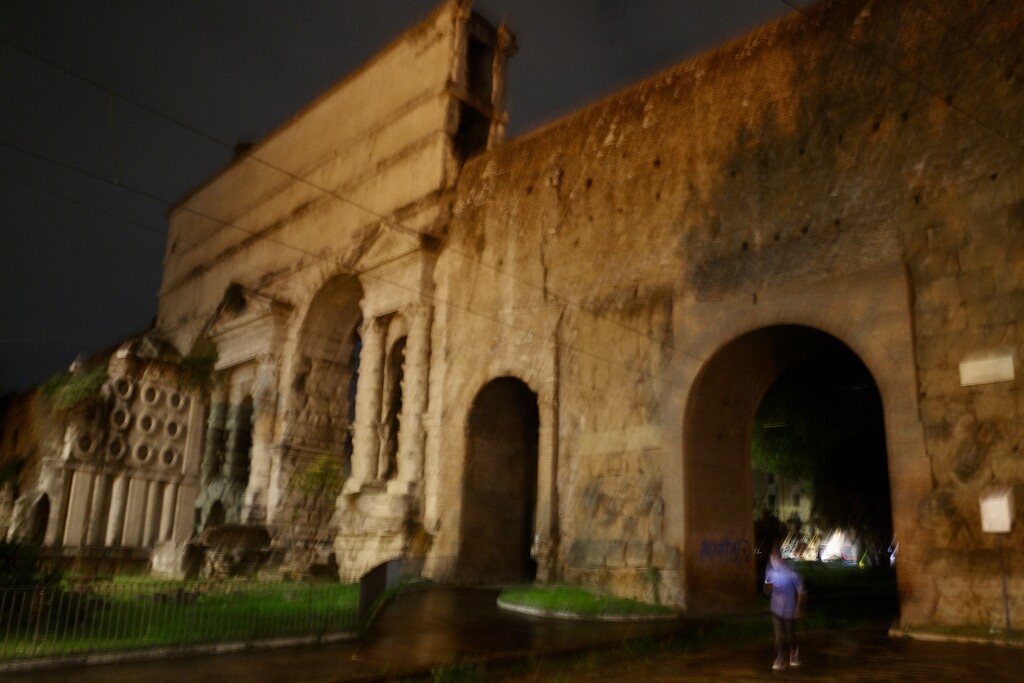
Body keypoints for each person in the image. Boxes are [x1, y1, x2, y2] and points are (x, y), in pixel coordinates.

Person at [764, 544, 806, 671]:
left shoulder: (791, 572)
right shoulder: (770, 572)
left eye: (776, 556)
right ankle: (780, 657)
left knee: (791, 633)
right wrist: (768, 588)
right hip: (776, 608)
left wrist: (798, 608)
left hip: (789, 609)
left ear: (781, 557)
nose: (774, 559)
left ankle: (794, 654)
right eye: (773, 556)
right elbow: (766, 589)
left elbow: (801, 591)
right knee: (778, 635)